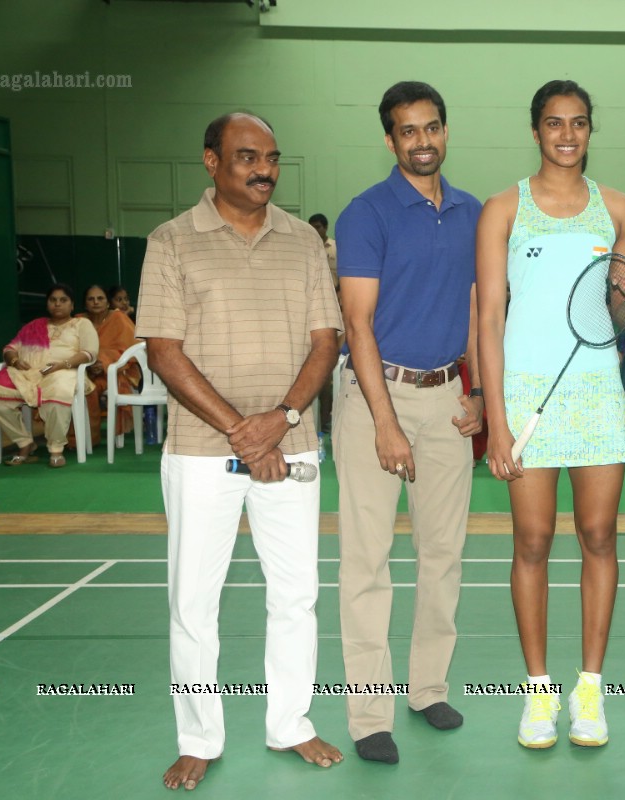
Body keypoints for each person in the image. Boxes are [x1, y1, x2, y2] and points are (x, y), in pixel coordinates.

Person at [135, 111, 343, 791]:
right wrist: (244, 432)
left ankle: (291, 724)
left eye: (273, 158)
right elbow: (164, 352)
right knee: (193, 602)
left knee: (296, 597)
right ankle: (199, 736)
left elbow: (325, 342)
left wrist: (279, 421)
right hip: (200, 451)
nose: (264, 170)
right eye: (248, 157)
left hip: (293, 443)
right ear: (211, 161)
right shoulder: (170, 242)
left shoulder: (304, 244)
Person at [477, 79, 625, 750]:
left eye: (579, 122)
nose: (567, 134)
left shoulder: (621, 210)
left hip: (597, 394)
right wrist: (496, 419)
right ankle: (538, 693)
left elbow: (616, 319)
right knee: (532, 543)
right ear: (536, 129)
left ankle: (589, 691)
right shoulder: (502, 210)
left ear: (590, 128)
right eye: (554, 122)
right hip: (525, 398)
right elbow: (490, 319)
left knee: (600, 536)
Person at [333, 81, 483, 765]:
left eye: (431, 128)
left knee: (443, 554)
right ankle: (369, 716)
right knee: (367, 560)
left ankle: (427, 688)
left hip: (448, 398)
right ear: (390, 140)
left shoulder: (473, 212)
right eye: (406, 131)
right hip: (376, 395)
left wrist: (477, 396)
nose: (421, 141)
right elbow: (357, 323)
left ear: (445, 132)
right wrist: (384, 423)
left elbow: (481, 311)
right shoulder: (365, 213)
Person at [0, 283, 98, 468]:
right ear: (47, 304)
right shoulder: (34, 326)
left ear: (72, 305)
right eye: (53, 300)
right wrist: (14, 361)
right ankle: (24, 443)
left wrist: (63, 364)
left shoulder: (81, 324)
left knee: (59, 391)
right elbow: (10, 348)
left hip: (65, 371)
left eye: (63, 300)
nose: (57, 304)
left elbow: (90, 353)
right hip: (28, 374)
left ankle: (56, 449)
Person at [73, 284, 141, 447]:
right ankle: (77, 439)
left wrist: (102, 362)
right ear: (85, 303)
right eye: (91, 299)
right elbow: (69, 347)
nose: (96, 302)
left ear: (108, 303)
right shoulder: (78, 321)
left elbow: (131, 349)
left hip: (114, 372)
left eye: (100, 298)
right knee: (80, 387)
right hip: (82, 371)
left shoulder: (118, 318)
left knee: (92, 388)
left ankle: (90, 439)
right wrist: (88, 365)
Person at [308, 213, 338, 287]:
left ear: (326, 227)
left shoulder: (336, 246)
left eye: (317, 227)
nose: (314, 231)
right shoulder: (307, 248)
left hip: (335, 292)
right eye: (311, 228)